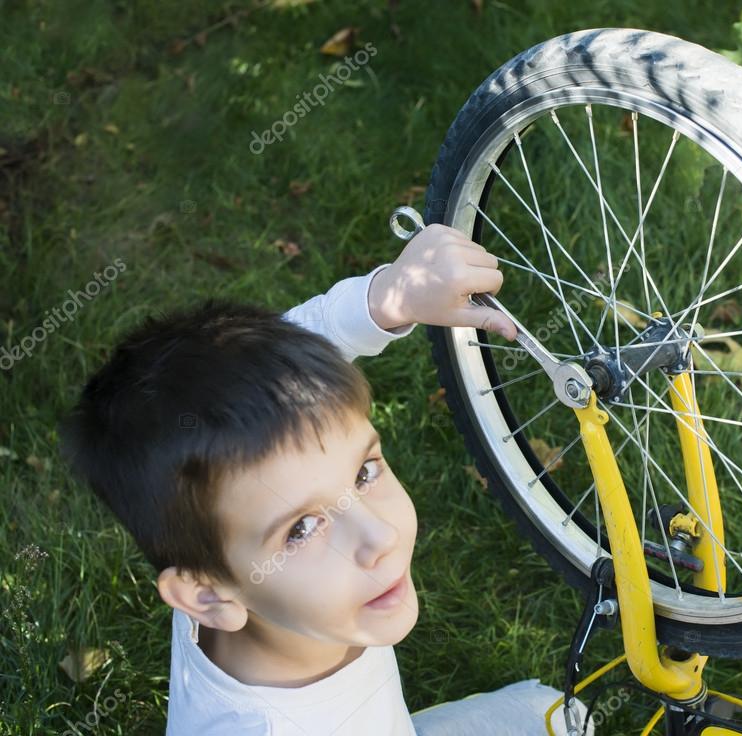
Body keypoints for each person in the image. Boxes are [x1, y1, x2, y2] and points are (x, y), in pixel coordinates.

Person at [57, 223, 593, 735]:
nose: (379, 537)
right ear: (206, 595)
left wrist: (388, 299)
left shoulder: (221, 546)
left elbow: (281, 368)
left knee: (555, 714)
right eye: (301, 529)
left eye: (362, 472)